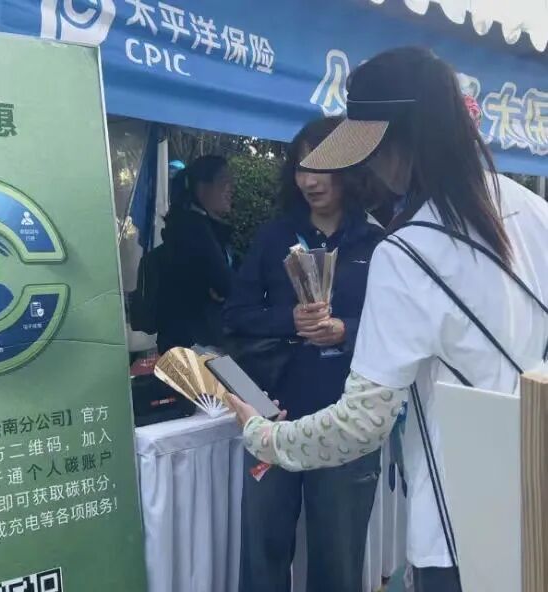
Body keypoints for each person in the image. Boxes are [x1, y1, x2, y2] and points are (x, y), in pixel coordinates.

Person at [224, 47, 548, 592]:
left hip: (458, 525)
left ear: (399, 141)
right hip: (533, 492)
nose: (370, 168)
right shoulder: (535, 214)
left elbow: (360, 423)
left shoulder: (405, 250)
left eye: (370, 150)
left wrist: (264, 436)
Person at [223, 116, 383, 592]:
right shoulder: (275, 237)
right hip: (274, 411)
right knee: (264, 551)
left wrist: (345, 330)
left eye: (321, 166)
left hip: (347, 416)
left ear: (351, 168)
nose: (309, 180)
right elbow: (235, 315)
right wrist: (288, 321)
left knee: (338, 557)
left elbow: (397, 328)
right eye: (300, 166)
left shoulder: (378, 243)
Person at [156, 155, 234, 353]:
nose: (230, 189)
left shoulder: (199, 225)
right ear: (202, 187)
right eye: (223, 181)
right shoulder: (195, 229)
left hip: (191, 338)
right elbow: (225, 283)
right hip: (195, 342)